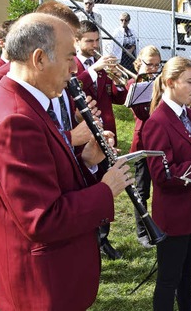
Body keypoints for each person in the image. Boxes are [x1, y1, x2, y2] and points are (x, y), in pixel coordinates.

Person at [0, 12, 132, 310]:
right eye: (69, 56)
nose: (75, 68)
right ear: (39, 59)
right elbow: (42, 219)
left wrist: (86, 163)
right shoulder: (15, 120)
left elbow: (49, 180)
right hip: (39, 288)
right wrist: (106, 190)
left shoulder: (26, 103)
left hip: (47, 279)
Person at [142, 56, 191, 311]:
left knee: (188, 277)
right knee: (169, 279)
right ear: (170, 82)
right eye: (190, 82)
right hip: (173, 215)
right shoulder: (157, 122)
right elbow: (162, 176)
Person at [74, 20, 128, 260]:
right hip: (83, 136)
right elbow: (72, 90)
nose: (95, 45)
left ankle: (103, 236)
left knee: (108, 183)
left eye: (97, 40)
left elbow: (115, 97)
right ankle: (89, 238)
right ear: (77, 41)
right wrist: (93, 70)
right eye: (89, 41)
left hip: (107, 132)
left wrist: (119, 83)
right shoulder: (74, 65)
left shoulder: (102, 66)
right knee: (90, 185)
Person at [127, 45, 162, 248]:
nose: (154, 68)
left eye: (158, 65)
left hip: (160, 140)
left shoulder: (159, 81)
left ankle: (156, 225)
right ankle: (142, 231)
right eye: (150, 64)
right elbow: (140, 114)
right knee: (141, 188)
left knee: (159, 186)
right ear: (140, 62)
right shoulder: (135, 82)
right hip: (143, 141)